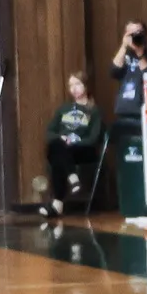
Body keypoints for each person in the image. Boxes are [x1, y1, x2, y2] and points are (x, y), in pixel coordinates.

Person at [45, 73, 105, 216]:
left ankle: (58, 203)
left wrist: (75, 142)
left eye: (77, 84)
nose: (74, 89)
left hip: (84, 150)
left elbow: (94, 138)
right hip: (65, 150)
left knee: (57, 155)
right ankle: (72, 178)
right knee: (56, 148)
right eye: (71, 85)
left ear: (85, 86)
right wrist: (62, 137)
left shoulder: (94, 111)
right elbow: (49, 132)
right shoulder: (63, 109)